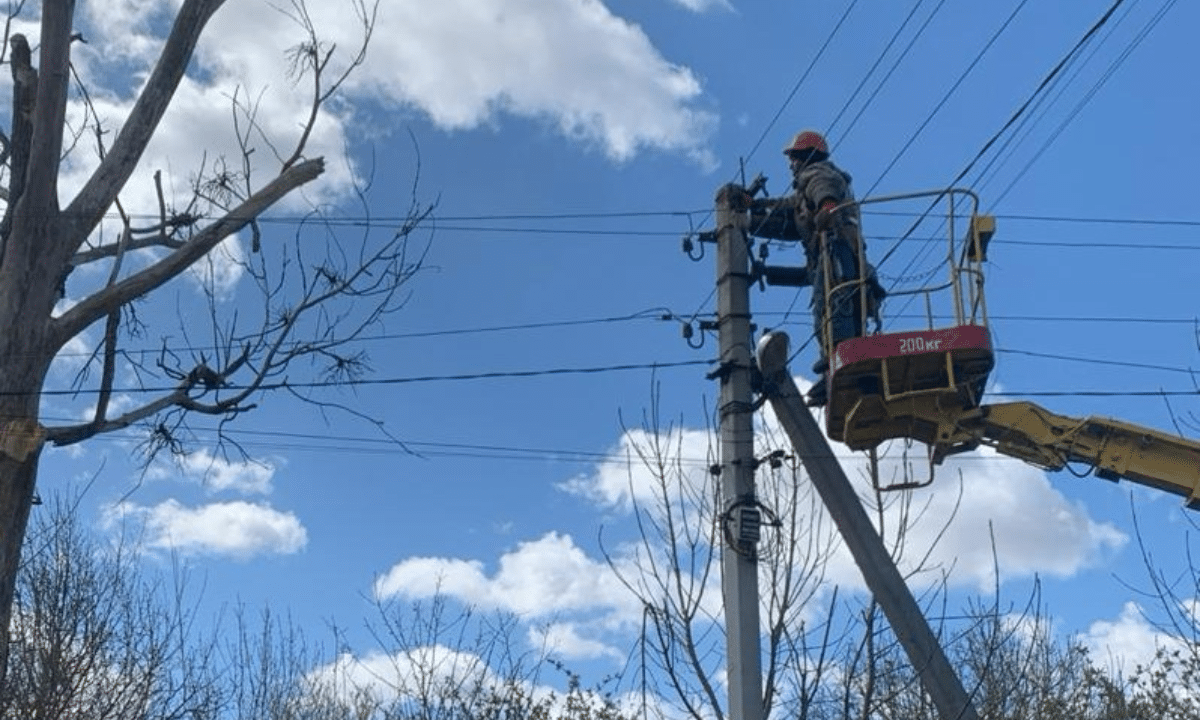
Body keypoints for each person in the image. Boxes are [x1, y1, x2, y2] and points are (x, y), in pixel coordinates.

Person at [739, 129, 883, 406]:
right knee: (837, 309)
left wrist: (826, 208)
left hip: (836, 251)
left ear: (806, 157)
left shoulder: (817, 173)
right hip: (839, 255)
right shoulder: (805, 190)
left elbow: (824, 190)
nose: (791, 165)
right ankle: (842, 370)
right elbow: (789, 208)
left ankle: (841, 367)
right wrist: (756, 206)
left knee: (831, 310)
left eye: (793, 159)